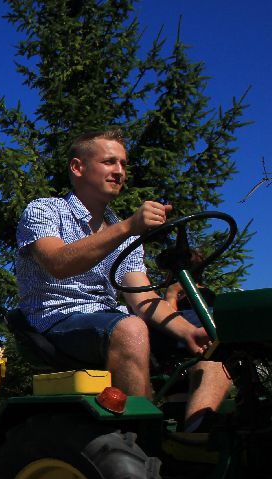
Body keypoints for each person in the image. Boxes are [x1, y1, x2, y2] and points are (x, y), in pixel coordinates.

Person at [15, 128, 230, 428]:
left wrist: (187, 331)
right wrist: (129, 227)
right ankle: (144, 439)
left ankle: (195, 432)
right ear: (78, 167)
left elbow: (142, 298)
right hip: (55, 319)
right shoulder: (44, 210)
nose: (119, 172)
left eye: (124, 164)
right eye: (109, 162)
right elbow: (58, 263)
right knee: (130, 329)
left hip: (111, 320)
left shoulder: (121, 228)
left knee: (219, 338)